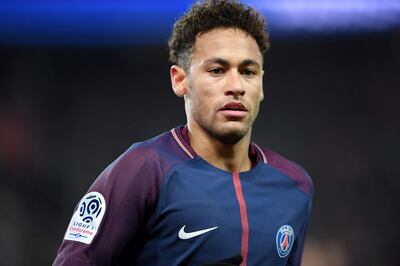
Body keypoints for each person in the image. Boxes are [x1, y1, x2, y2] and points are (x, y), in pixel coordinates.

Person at [53, 0, 313, 265]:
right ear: (180, 80)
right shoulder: (143, 171)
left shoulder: (294, 186)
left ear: (261, 83)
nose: (236, 86)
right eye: (217, 70)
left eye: (248, 72)